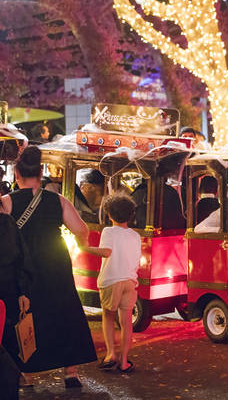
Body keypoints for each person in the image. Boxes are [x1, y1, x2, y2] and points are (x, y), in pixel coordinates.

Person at [0, 146, 97, 385]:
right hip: (55, 261)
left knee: (26, 315)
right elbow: (81, 229)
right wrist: (81, 244)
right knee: (63, 311)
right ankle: (70, 372)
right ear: (41, 171)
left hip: (24, 267)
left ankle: (28, 373)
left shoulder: (7, 203)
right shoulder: (58, 200)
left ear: (16, 174)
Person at [87, 193, 140, 373]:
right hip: (130, 281)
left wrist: (85, 248)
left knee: (108, 316)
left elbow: (106, 252)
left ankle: (111, 354)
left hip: (111, 279)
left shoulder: (108, 231)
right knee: (126, 322)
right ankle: (124, 361)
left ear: (109, 214)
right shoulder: (135, 235)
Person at [0, 210, 33, 400]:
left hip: (8, 292)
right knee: (7, 351)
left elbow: (20, 258)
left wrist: (22, 291)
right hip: (8, 291)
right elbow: (21, 258)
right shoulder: (6, 222)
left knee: (8, 351)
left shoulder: (6, 223)